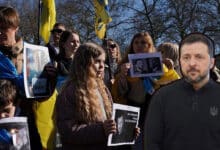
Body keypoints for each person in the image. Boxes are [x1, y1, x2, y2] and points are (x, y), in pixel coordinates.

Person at [144, 33, 220, 150]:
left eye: (199, 57)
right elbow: (153, 140)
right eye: (186, 57)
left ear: (211, 62)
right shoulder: (162, 96)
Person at [111, 32, 180, 150]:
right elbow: (118, 94)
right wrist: (122, 76)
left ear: (150, 46)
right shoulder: (124, 65)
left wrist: (170, 69)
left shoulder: (160, 65)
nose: (139, 45)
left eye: (143, 42)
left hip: (152, 114)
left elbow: (173, 86)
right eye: (136, 42)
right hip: (130, 113)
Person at [56, 42, 117, 149]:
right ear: (84, 63)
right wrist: (101, 130)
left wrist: (126, 131)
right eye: (97, 61)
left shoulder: (103, 89)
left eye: (103, 61)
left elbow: (109, 121)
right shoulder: (69, 92)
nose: (102, 66)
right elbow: (68, 131)